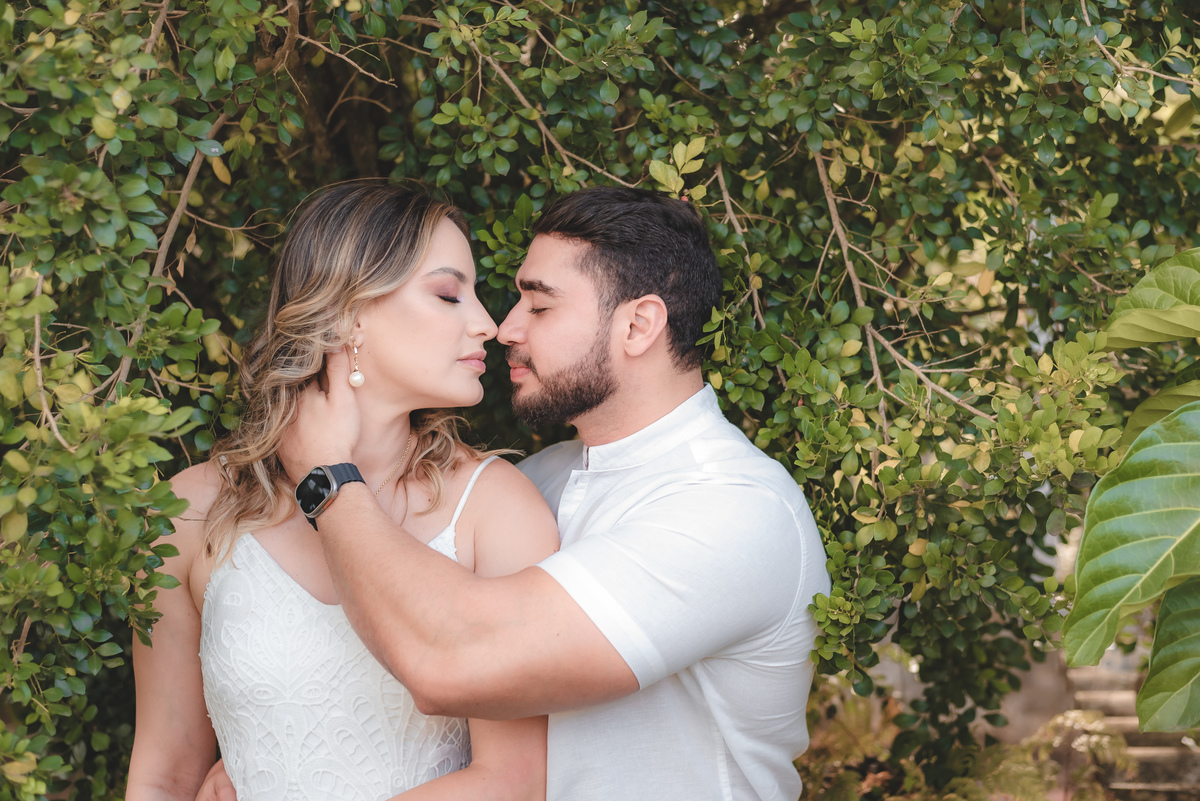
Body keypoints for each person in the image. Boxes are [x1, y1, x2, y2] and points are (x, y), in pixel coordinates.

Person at [201, 186, 831, 801]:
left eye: (540, 306)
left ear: (638, 325)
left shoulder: (732, 510)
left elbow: (450, 664)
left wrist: (326, 477)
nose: (503, 328)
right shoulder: (540, 479)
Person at [125, 182, 559, 801]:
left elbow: (513, 782)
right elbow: (165, 776)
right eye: (447, 294)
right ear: (348, 313)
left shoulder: (496, 509)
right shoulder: (189, 513)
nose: (487, 324)